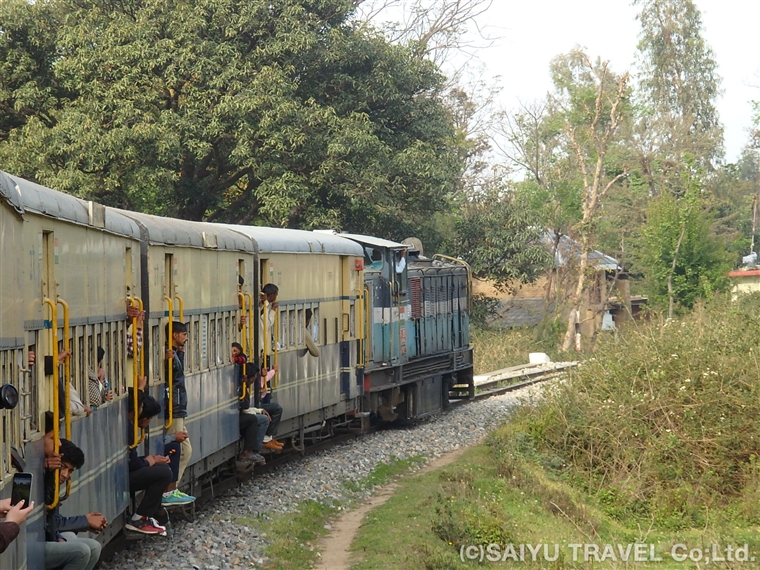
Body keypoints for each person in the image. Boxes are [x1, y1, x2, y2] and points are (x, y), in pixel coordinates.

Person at [45, 439, 106, 570]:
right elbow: (50, 523)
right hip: (35, 545)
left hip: (45, 538)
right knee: (81, 552)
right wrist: (84, 521)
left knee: (94, 547)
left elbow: (51, 522)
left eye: (70, 471)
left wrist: (58, 536)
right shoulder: (44, 481)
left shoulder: (51, 482)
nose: (65, 475)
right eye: (62, 467)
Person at [126, 389, 171, 535]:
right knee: (163, 473)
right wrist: (148, 461)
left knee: (160, 466)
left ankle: (153, 512)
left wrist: (151, 460)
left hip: (121, 473)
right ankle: (140, 518)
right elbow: (132, 464)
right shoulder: (129, 428)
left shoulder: (127, 425)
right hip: (122, 478)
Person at [137, 394, 195, 506]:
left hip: (177, 405)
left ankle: (170, 491)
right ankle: (167, 492)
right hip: (175, 404)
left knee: (181, 450)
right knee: (173, 449)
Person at [165, 321, 192, 493]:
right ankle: (168, 490)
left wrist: (179, 355)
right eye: (184, 334)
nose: (187, 338)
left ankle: (172, 488)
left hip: (179, 407)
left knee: (187, 450)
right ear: (175, 335)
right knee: (179, 450)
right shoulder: (169, 355)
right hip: (174, 408)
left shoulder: (175, 354)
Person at [232, 343, 270, 464]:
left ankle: (254, 450)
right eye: (253, 379)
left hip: (238, 415)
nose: (253, 382)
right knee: (254, 420)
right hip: (236, 417)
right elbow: (245, 406)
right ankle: (250, 451)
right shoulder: (241, 386)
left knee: (260, 417)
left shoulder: (243, 384)